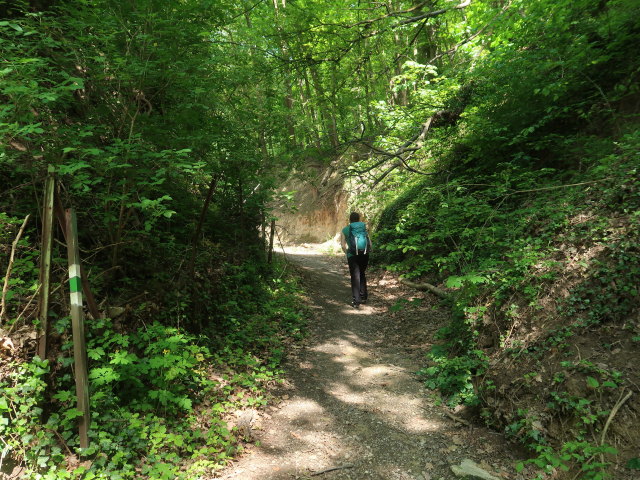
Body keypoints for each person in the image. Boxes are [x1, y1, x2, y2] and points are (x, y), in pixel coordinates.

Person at [341, 212, 371, 308]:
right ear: (358, 219)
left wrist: (347, 253)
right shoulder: (363, 228)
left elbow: (342, 244)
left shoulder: (345, 230)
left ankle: (356, 301)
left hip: (352, 255)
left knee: (355, 276)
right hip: (365, 253)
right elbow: (369, 241)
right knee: (362, 273)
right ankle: (364, 297)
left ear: (350, 220)